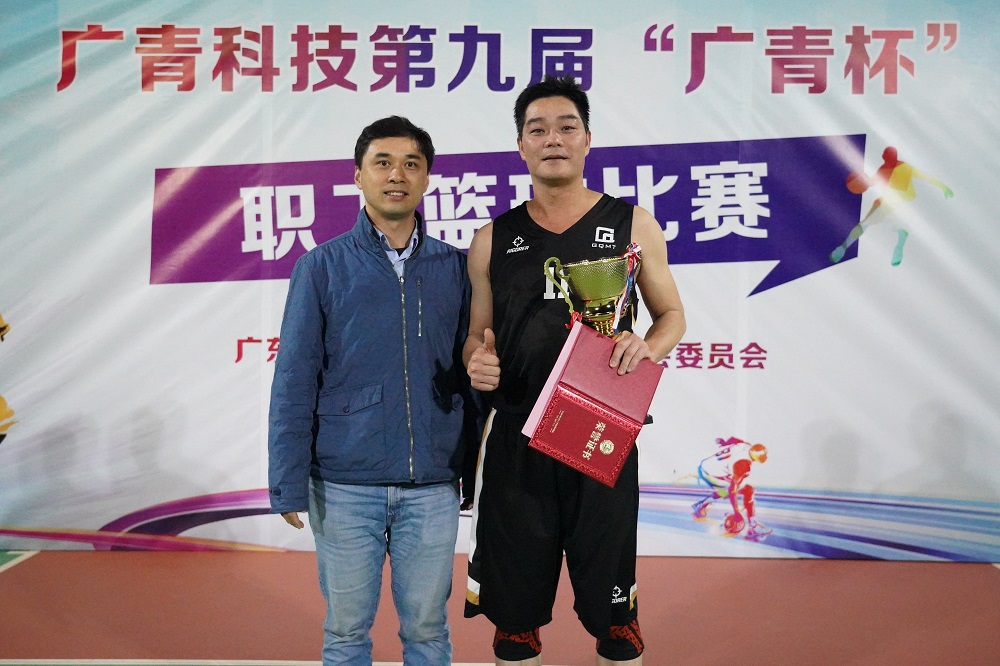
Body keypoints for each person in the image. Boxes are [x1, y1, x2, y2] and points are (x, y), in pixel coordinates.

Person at [463, 76, 686, 666]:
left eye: (567, 127)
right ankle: (519, 631)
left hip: (601, 427)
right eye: (537, 129)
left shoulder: (632, 224)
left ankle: (615, 626)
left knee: (616, 623)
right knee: (513, 623)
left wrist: (646, 347)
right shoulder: (491, 238)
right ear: (521, 145)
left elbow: (672, 316)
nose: (553, 139)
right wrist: (476, 361)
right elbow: (476, 335)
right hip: (517, 432)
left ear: (588, 139)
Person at [268, 116, 478, 666]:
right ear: (358, 175)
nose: (396, 175)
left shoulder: (456, 269)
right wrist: (287, 482)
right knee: (345, 633)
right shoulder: (320, 267)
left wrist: (477, 472)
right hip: (342, 486)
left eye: (411, 164)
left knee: (429, 631)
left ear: (427, 177)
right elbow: (294, 380)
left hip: (432, 485)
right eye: (382, 163)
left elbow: (474, 378)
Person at [830, 146, 953, 266]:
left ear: (884, 157)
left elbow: (925, 177)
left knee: (870, 225)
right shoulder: (890, 168)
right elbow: (925, 177)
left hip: (896, 203)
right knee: (895, 228)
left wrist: (943, 187)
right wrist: (943, 187)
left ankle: (843, 248)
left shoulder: (896, 168)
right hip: (895, 203)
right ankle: (843, 249)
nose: (889, 158)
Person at [691, 437, 771, 541]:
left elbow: (733, 439)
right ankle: (752, 527)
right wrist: (736, 512)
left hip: (705, 466)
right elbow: (732, 490)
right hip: (712, 475)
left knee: (735, 488)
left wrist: (725, 443)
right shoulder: (743, 465)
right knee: (747, 490)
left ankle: (700, 504)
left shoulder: (746, 445)